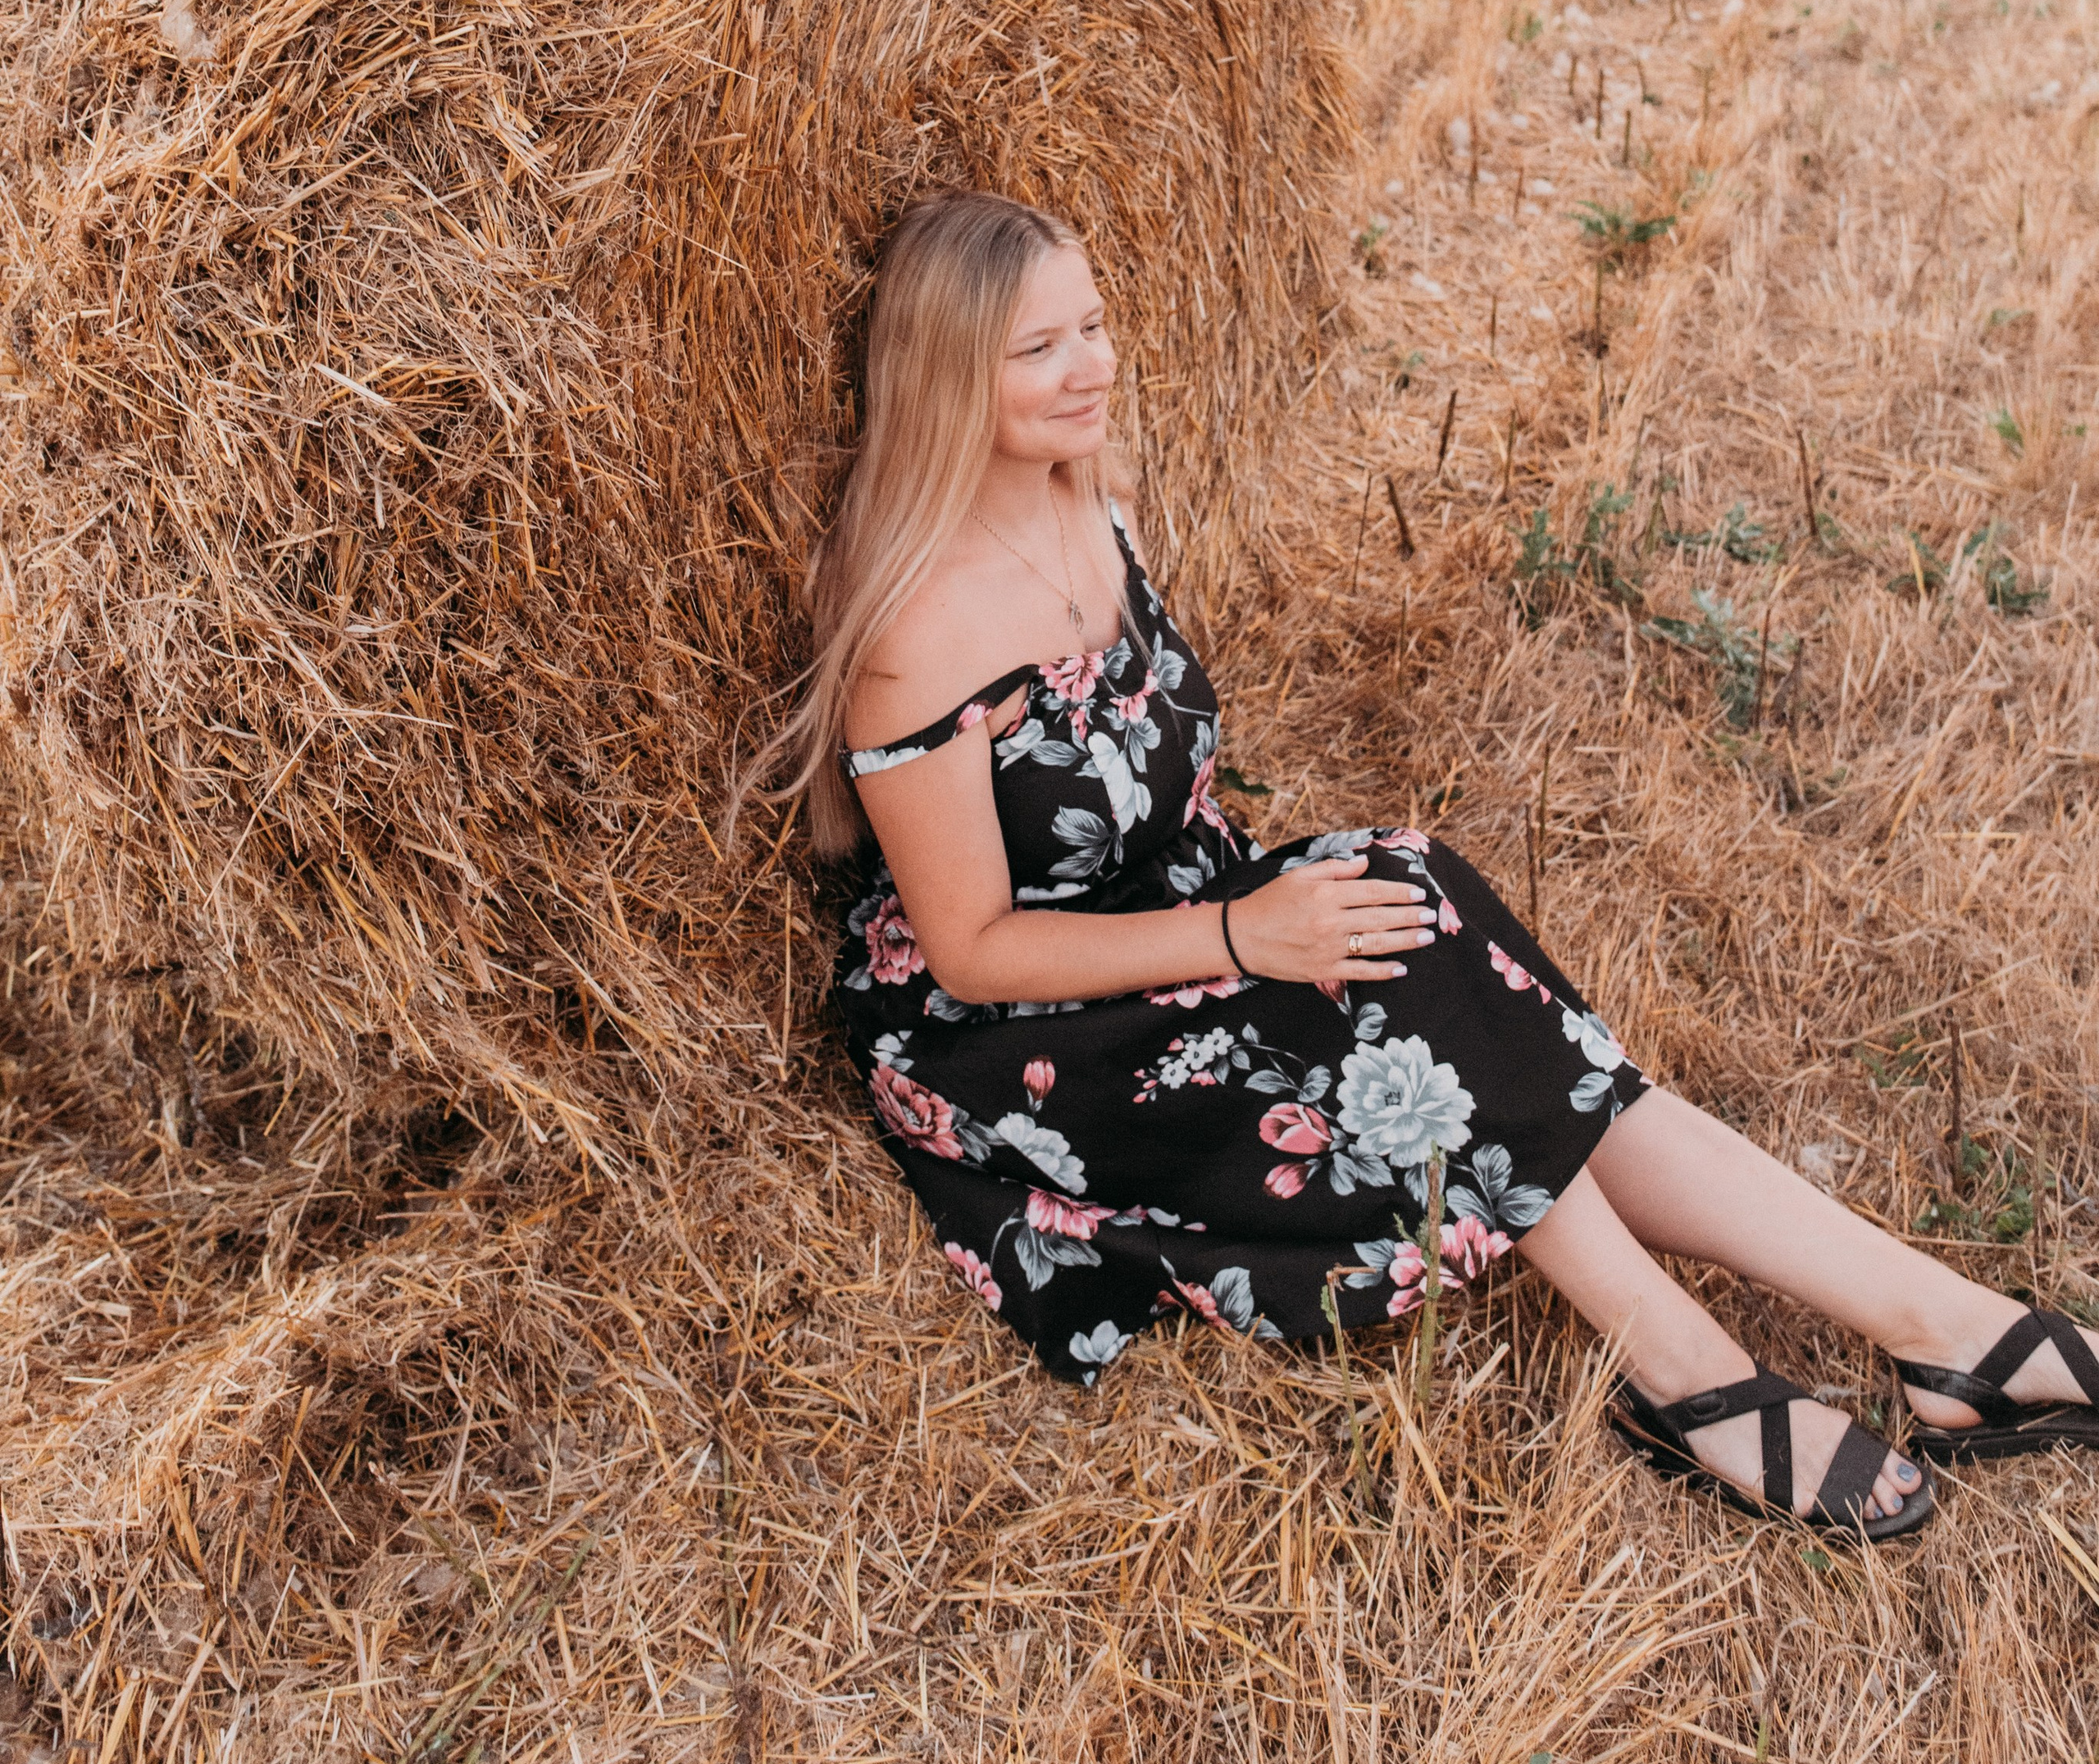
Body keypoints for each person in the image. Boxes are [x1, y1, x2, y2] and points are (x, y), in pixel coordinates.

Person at [768, 190, 2098, 1542]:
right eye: (1038, 349)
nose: (1094, 366)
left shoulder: (1098, 500)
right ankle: (1697, 1371)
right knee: (1411, 1006)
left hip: (1188, 918)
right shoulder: (913, 626)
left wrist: (1260, 921)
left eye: (1095, 327)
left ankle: (1930, 1319)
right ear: (945, 375)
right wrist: (1247, 941)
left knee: (1418, 900)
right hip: (1026, 1044)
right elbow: (973, 951)